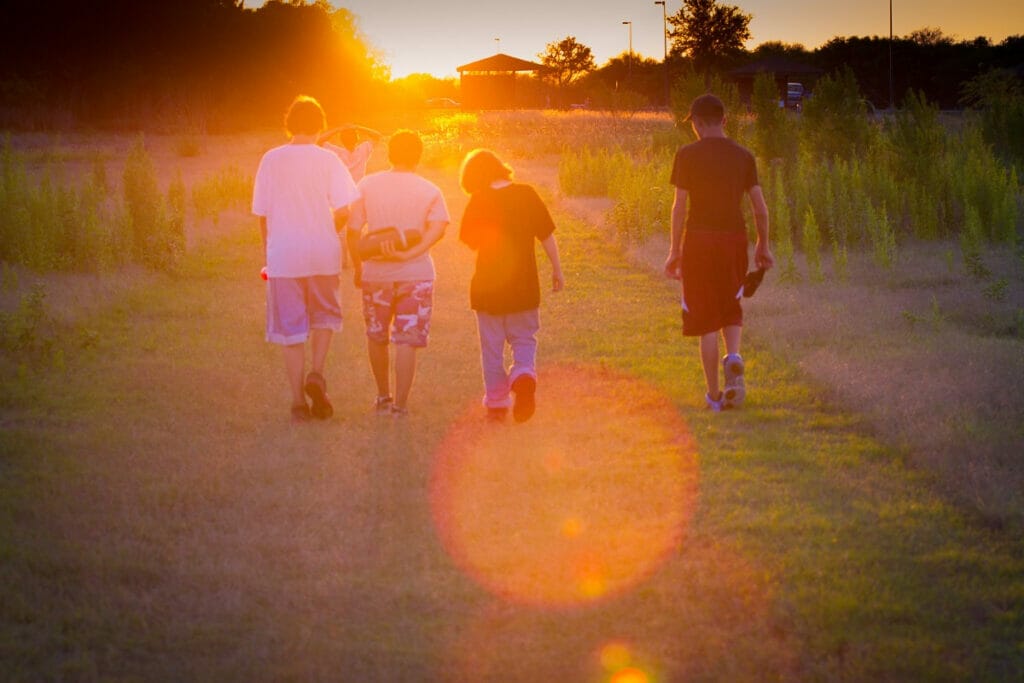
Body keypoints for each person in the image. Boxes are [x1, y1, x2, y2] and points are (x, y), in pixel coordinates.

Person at [663, 93, 774, 411]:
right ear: (724, 121)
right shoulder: (744, 156)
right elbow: (760, 209)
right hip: (734, 239)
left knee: (705, 319)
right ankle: (734, 356)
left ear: (696, 124)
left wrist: (674, 250)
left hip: (698, 239)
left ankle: (714, 396)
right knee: (731, 303)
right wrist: (762, 246)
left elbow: (679, 207)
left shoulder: (686, 154)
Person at [252, 95, 359, 422]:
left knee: (290, 330)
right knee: (325, 316)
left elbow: (262, 214)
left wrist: (268, 250)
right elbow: (346, 208)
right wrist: (330, 227)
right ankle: (317, 372)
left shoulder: (271, 159)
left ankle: (298, 401)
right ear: (320, 124)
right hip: (323, 252)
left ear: (289, 124)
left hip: (284, 254)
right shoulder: (329, 160)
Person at [346, 130, 450, 416]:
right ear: (419, 155)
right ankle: (400, 406)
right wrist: (410, 253)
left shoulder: (367, 184)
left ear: (390, 153)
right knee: (407, 338)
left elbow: (353, 230)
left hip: (376, 274)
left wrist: (357, 267)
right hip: (416, 274)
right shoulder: (429, 189)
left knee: (377, 334)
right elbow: (439, 228)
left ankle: (383, 397)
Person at [458, 149, 564, 423]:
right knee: (524, 338)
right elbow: (547, 235)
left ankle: (496, 405)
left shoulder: (479, 200)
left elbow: (469, 239)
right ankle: (524, 376)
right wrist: (557, 269)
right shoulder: (527, 194)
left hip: (487, 287)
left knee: (491, 348)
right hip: (524, 285)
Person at [319, 124, 383, 268]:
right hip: (359, 193)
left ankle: (343, 261)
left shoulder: (337, 152)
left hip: (341, 193)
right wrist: (359, 127)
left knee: (341, 230)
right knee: (357, 227)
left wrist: (337, 129)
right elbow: (378, 135)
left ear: (342, 140)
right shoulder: (363, 149)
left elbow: (320, 141)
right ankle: (360, 257)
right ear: (357, 138)